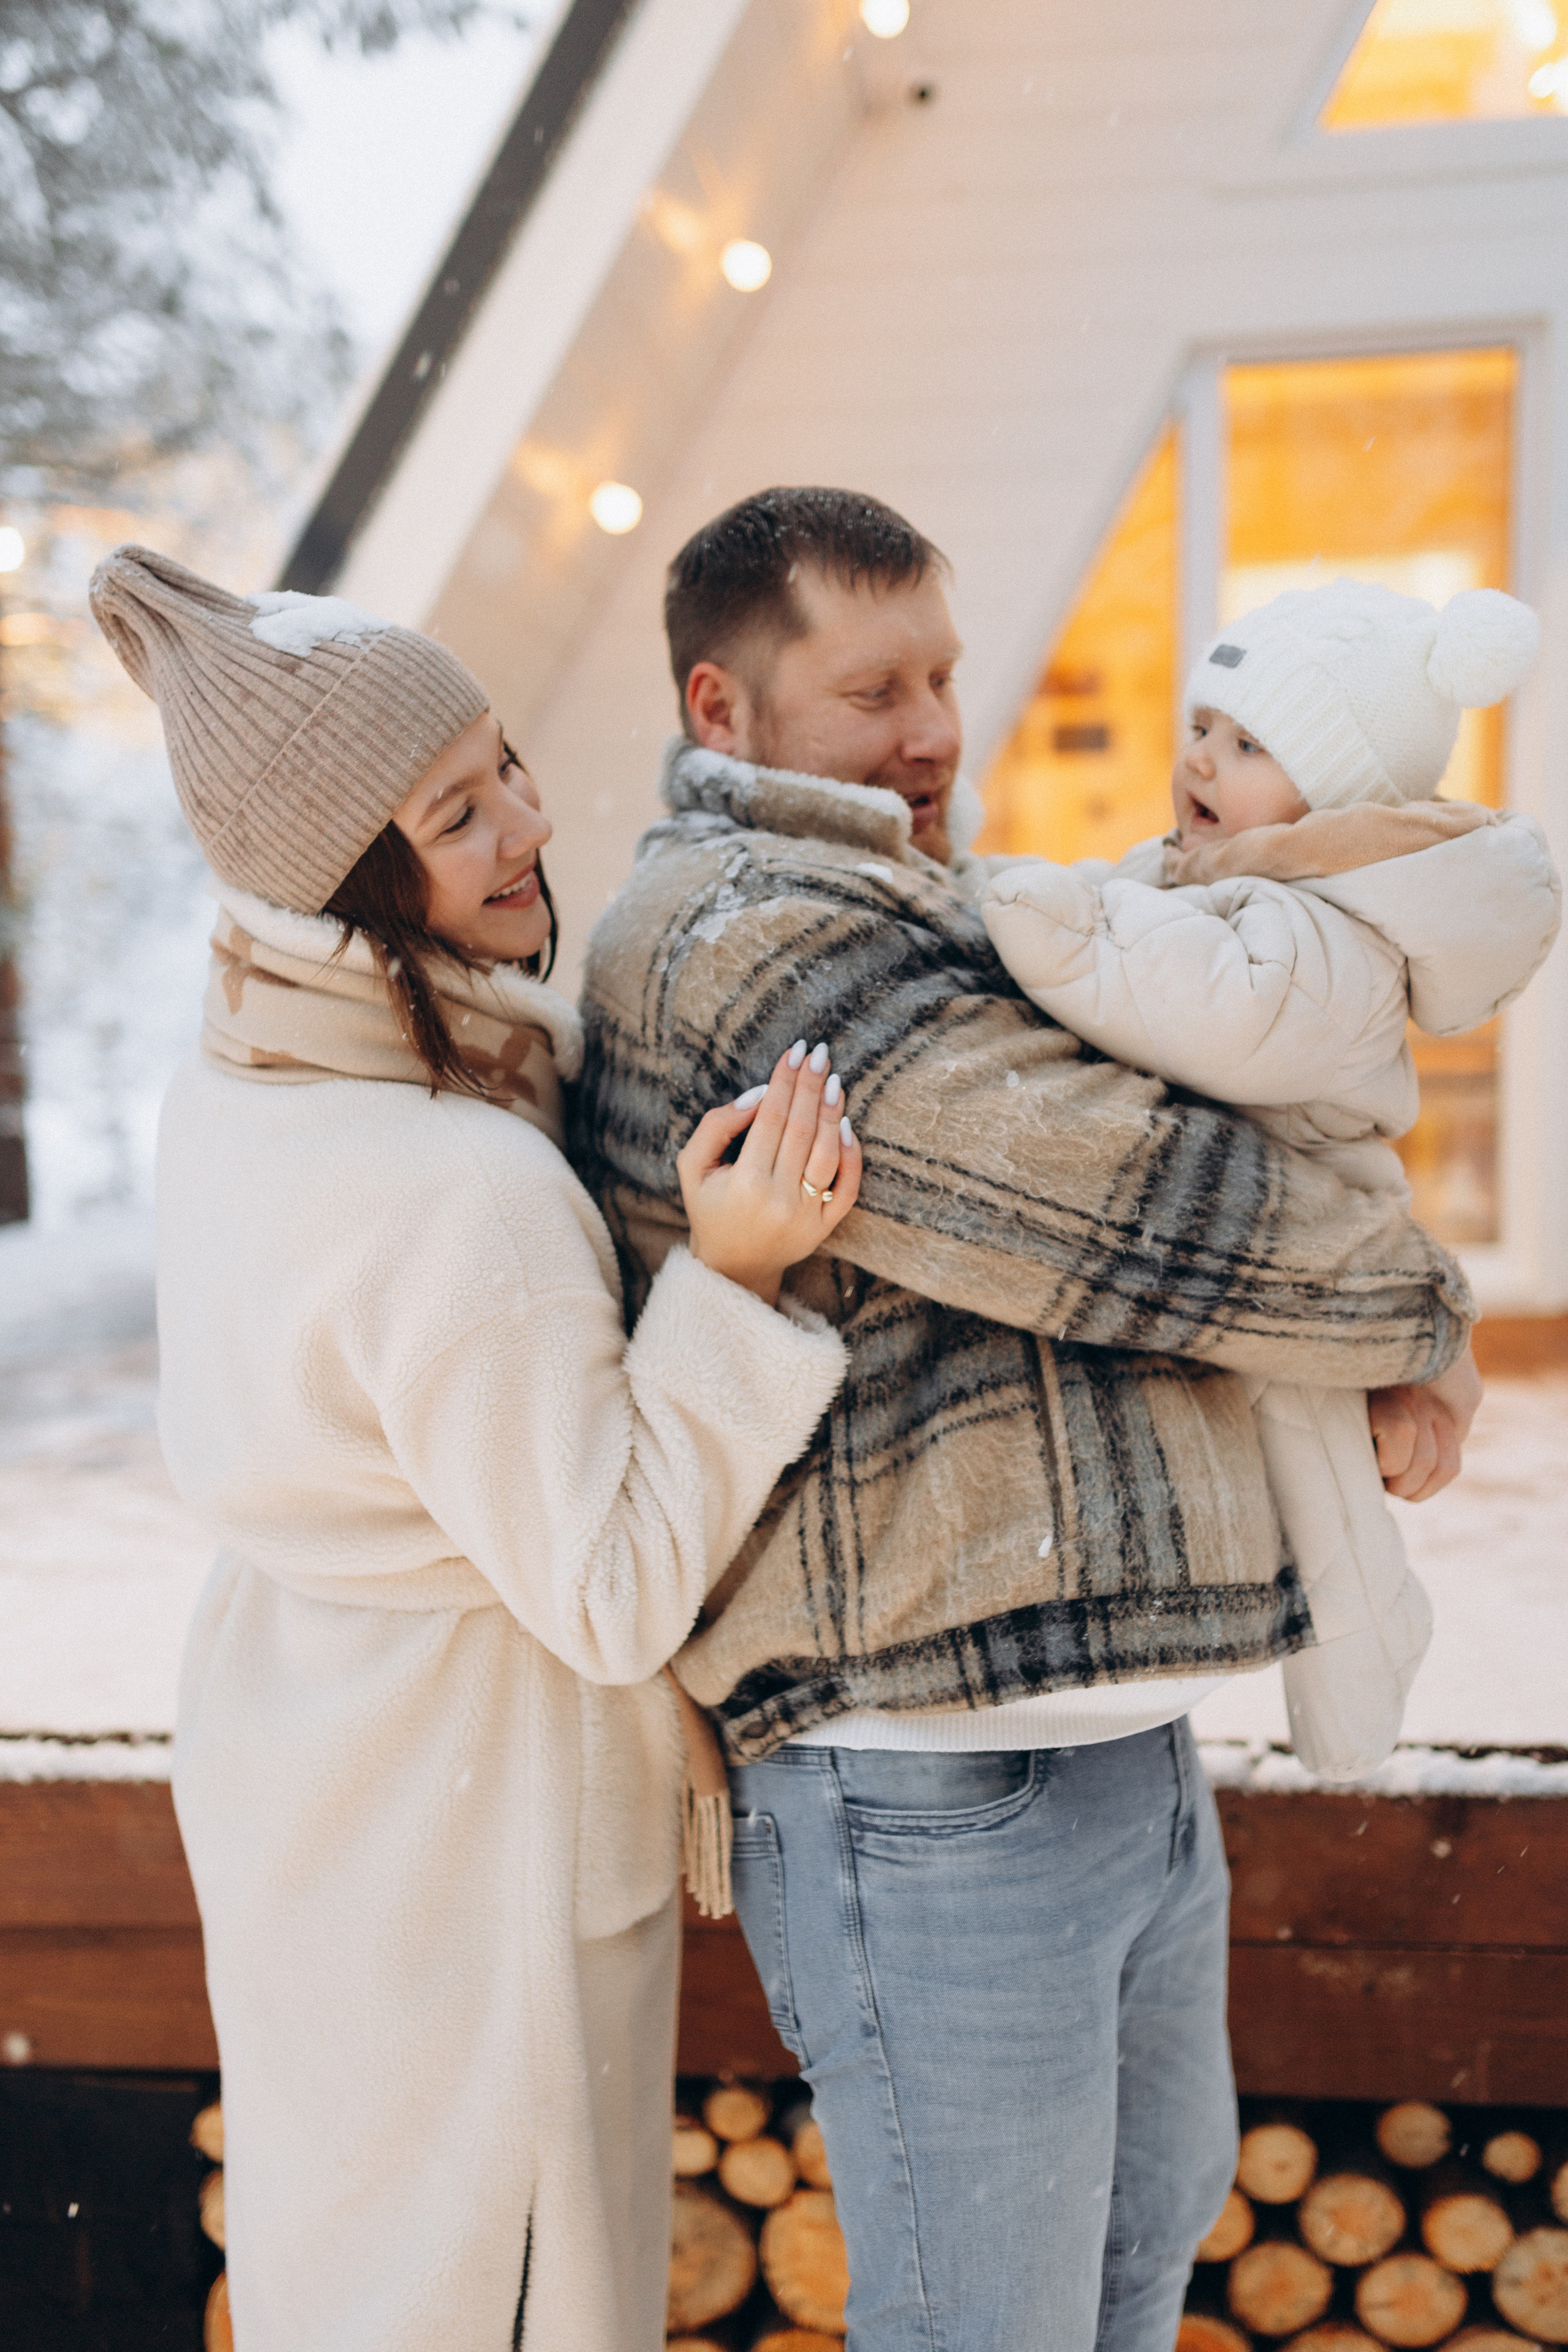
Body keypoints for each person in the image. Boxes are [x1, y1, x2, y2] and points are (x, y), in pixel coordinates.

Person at [574, 488, 1481, 2352]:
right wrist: (1422, 1310)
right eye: (870, 691)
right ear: (721, 710)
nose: (930, 732)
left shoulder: (927, 899)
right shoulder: (749, 935)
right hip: (925, 1782)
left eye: (944, 677)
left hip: (1107, 1739)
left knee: (1134, 2283)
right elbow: (1130, 1207)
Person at [88, 543, 862, 2352]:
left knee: (354, 2251)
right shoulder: (459, 1192)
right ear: (348, 872)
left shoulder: (247, 1073)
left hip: (312, 1757)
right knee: (492, 2284)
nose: (523, 819)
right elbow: (606, 1588)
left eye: (505, 761)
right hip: (466, 1808)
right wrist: (739, 1287)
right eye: (455, 810)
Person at [983, 576, 1558, 1777]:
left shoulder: (1325, 932)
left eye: (1248, 743)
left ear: (1333, 792)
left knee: (1320, 1485)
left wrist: (1053, 923)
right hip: (1268, 1232)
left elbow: (1214, 1008)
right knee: (1291, 1472)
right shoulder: (1212, 874)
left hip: (1311, 1225)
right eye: (1201, 724)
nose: (1201, 756)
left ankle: (1360, 1666)